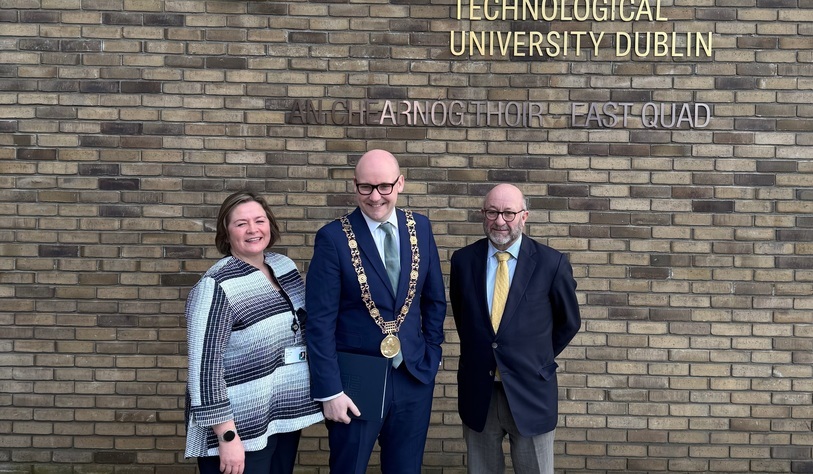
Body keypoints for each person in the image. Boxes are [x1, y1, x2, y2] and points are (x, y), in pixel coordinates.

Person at [305, 149, 447, 473]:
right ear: (354, 186)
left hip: (413, 374)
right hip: (356, 382)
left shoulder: (421, 228)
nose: (375, 197)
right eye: (365, 187)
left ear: (400, 184)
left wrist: (432, 351)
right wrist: (330, 390)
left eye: (384, 186)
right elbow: (320, 321)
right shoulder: (333, 238)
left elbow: (435, 298)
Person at [184, 191, 323, 474]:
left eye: (259, 220)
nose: (252, 230)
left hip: (281, 418)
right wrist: (227, 437)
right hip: (239, 428)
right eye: (241, 224)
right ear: (226, 232)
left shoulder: (284, 268)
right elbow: (204, 369)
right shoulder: (216, 285)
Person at [450, 184, 581, 474]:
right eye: (492, 212)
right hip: (479, 393)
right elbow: (465, 319)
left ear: (524, 216)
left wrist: (536, 356)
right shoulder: (463, 261)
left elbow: (569, 321)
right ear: (483, 215)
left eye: (509, 213)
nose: (500, 221)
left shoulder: (552, 263)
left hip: (531, 391)